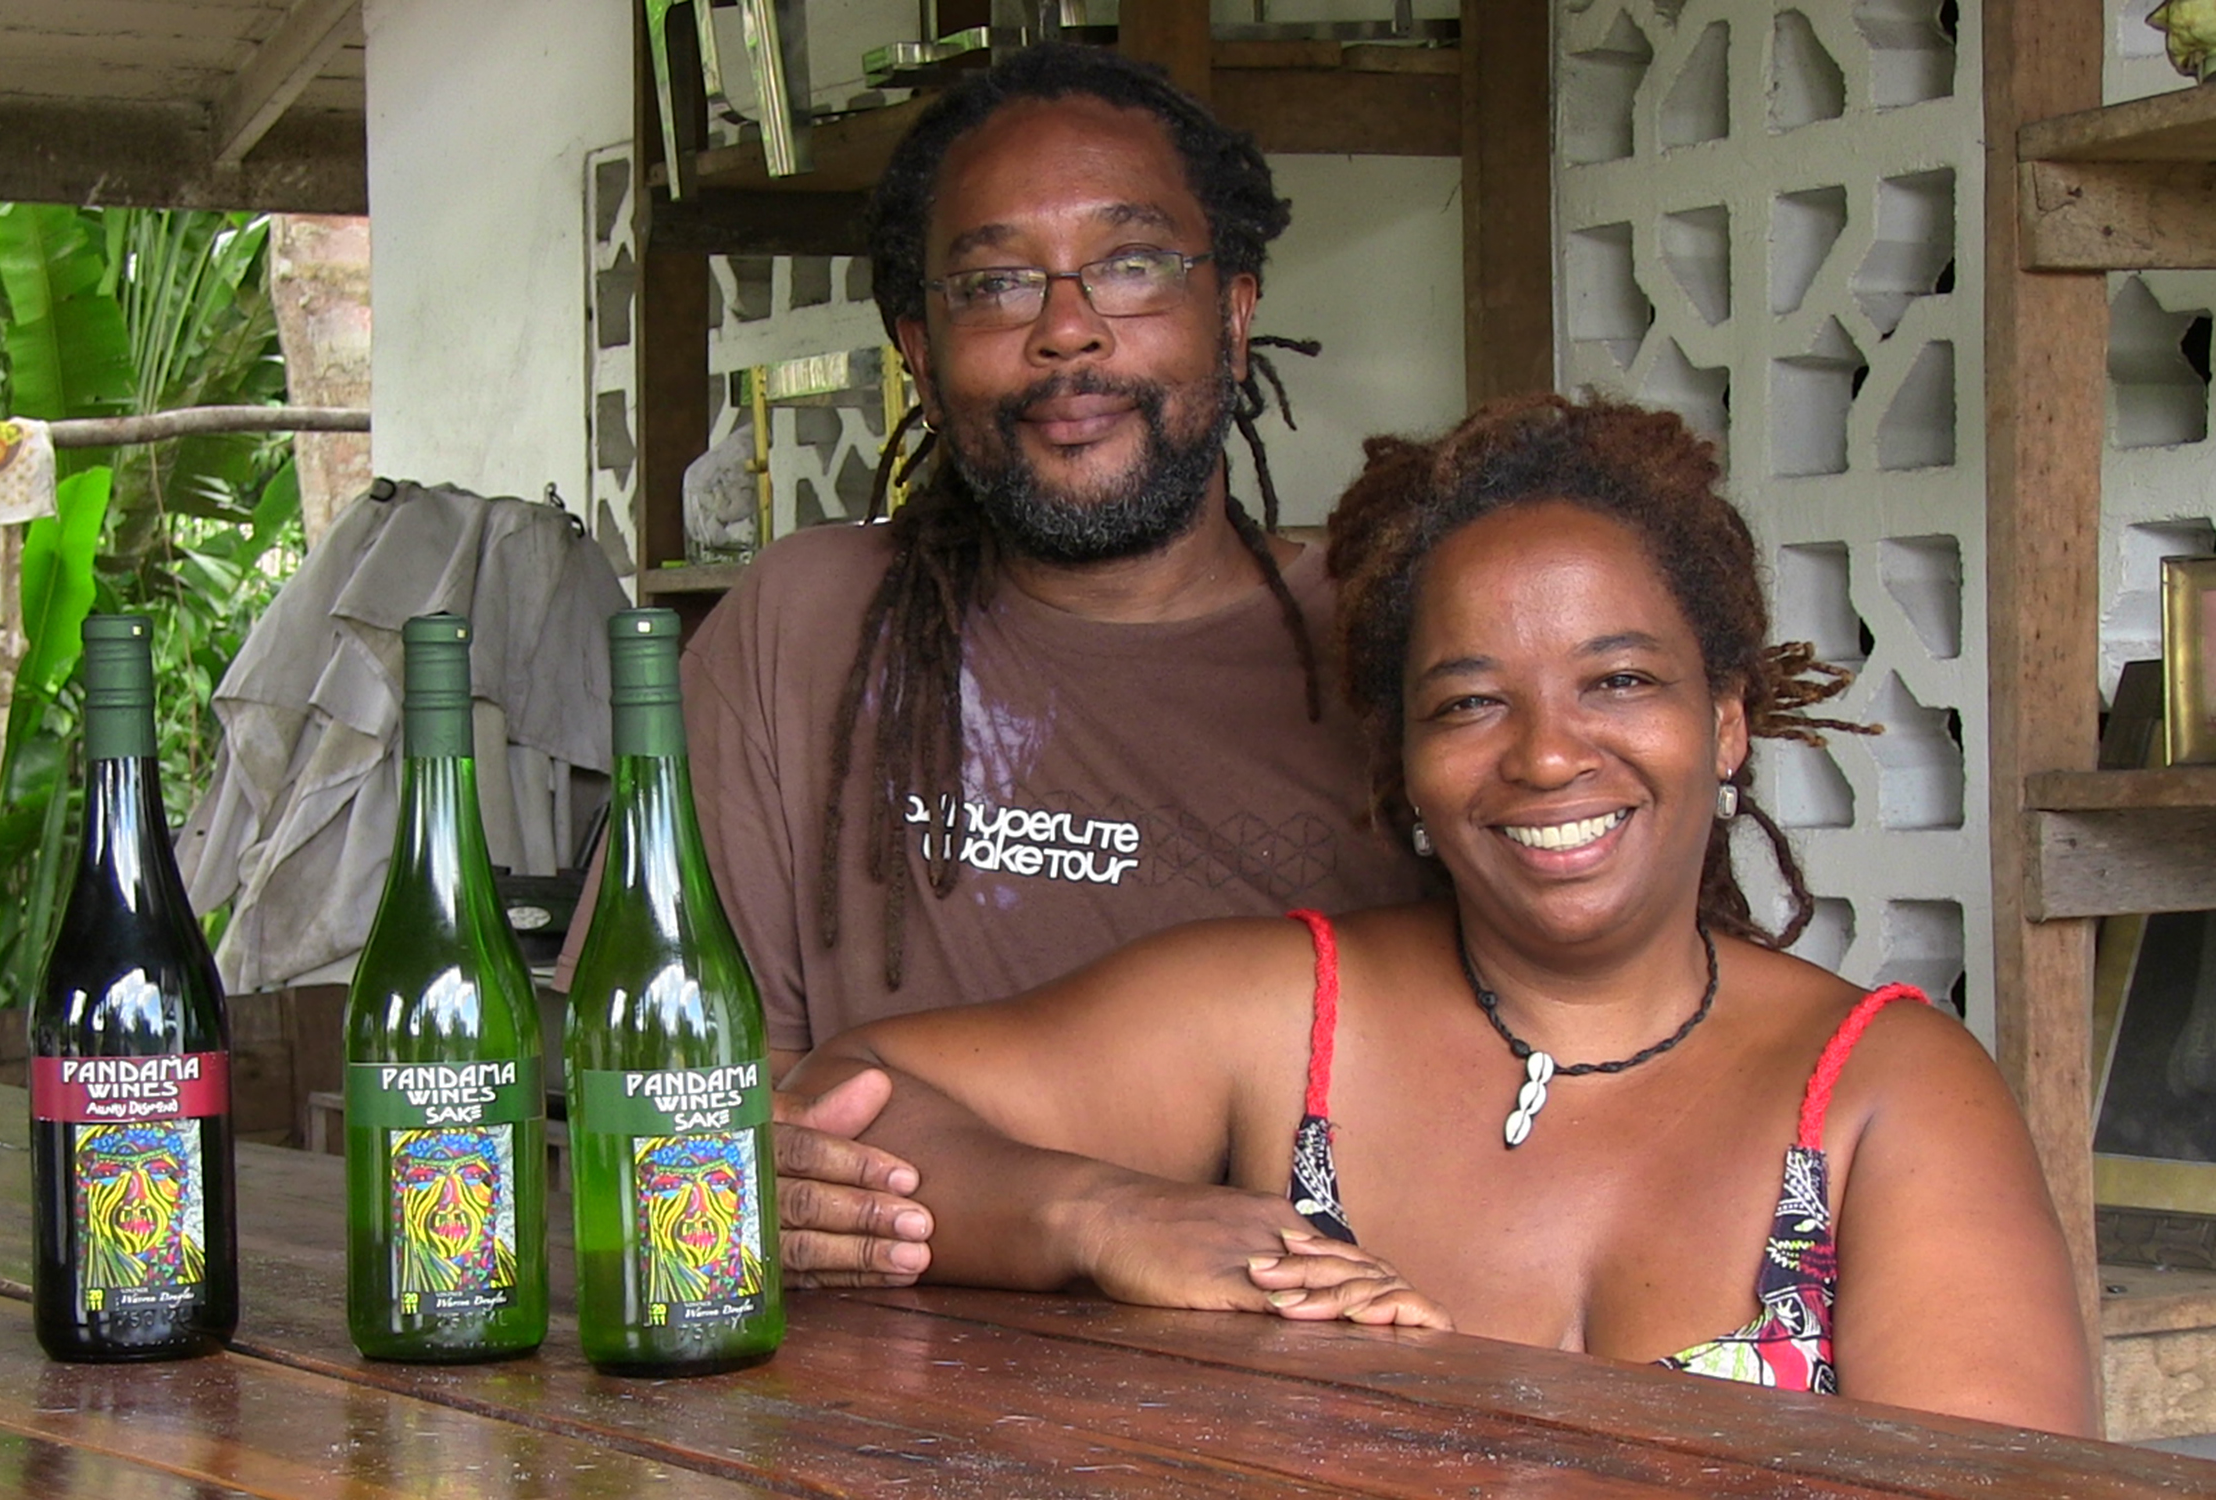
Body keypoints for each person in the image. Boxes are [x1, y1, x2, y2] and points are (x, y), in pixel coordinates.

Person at [786, 394, 2096, 1434]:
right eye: (1470, 702)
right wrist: (1099, 1217)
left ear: (1728, 719)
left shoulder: (1884, 1092)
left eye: (1621, 680)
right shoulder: (1290, 1017)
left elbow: (1999, 1481)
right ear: (1402, 761)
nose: (1544, 757)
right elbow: (853, 1090)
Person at [585, 42, 1426, 1285]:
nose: (1067, 332)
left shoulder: (1395, 648)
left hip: (1314, 1379)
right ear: (918, 353)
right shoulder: (802, 627)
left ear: (1234, 314)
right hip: (867, 1403)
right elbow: (685, 1092)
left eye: (1131, 267)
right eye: (994, 286)